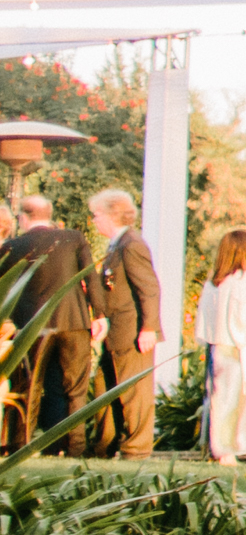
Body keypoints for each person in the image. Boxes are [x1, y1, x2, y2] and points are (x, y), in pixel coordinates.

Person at [0, 192, 88, 450]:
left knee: (30, 384)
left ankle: (21, 442)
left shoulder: (13, 246)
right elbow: (90, 276)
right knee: (74, 387)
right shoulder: (74, 239)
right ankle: (74, 445)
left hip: (32, 326)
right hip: (74, 321)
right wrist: (101, 315)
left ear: (23, 217)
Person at [83, 188, 166, 459]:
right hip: (116, 333)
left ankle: (137, 450)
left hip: (132, 333)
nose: (93, 220)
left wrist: (149, 328)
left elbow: (149, 288)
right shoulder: (117, 245)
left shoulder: (132, 244)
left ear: (111, 215)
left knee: (135, 393)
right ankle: (103, 447)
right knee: (105, 390)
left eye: (95, 215)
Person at [193, 225, 246, 465]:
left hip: (217, 346)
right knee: (231, 401)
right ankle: (226, 449)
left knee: (218, 399)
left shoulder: (214, 282)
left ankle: (217, 446)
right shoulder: (240, 280)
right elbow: (242, 316)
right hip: (234, 348)